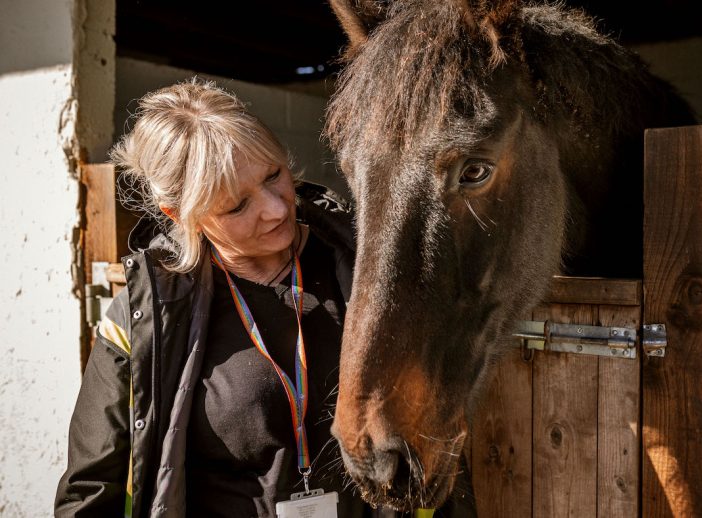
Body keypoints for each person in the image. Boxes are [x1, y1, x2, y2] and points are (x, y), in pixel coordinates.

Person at [54, 79, 475, 517]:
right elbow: (90, 489)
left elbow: (434, 441)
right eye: (236, 206)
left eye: (274, 175)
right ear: (180, 215)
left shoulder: (363, 271)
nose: (276, 209)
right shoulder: (149, 317)